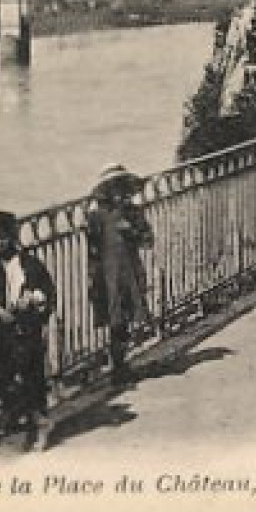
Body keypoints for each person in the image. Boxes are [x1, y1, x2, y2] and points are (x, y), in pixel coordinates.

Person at [0, 210, 58, 450]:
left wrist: (33, 298)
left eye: (2, 237)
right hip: (1, 332)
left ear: (12, 236)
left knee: (33, 378)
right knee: (2, 377)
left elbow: (48, 294)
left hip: (28, 329)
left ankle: (39, 425)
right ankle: (18, 413)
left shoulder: (30, 265)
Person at [86, 162, 155, 382]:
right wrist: (92, 276)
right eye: (113, 188)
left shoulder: (134, 213)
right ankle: (117, 365)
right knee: (114, 317)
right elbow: (93, 248)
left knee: (126, 315)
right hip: (107, 274)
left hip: (130, 272)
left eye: (122, 187)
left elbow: (148, 241)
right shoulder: (97, 217)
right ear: (106, 192)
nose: (118, 193)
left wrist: (132, 231)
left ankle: (121, 363)